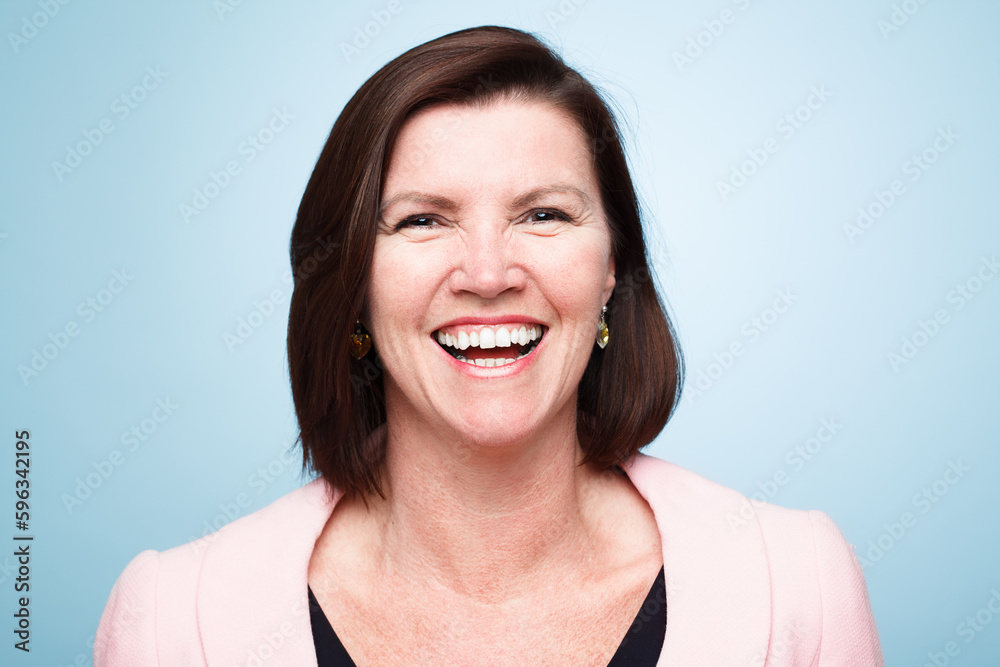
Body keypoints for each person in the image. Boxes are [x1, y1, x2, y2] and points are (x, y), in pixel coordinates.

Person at [94, 26, 884, 666]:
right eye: (422, 219)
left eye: (543, 215)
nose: (488, 273)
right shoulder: (174, 621)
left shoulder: (794, 586)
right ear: (354, 286)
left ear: (612, 267)